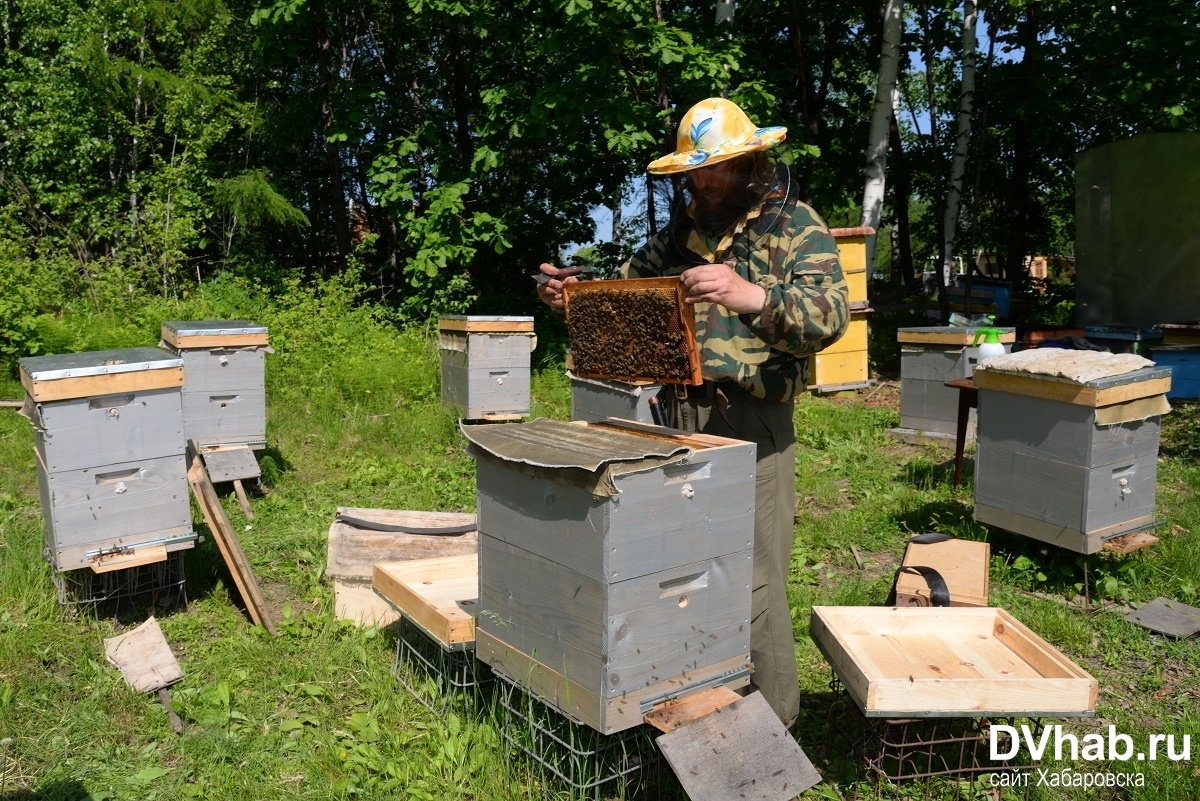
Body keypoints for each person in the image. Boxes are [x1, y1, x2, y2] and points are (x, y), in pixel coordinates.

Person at [535, 97, 849, 727]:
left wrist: (751, 294)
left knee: (753, 581)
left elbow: (830, 316)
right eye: (696, 172)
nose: (705, 182)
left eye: (719, 169)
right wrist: (570, 299)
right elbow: (620, 296)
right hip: (673, 419)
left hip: (752, 424)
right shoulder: (678, 239)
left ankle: (772, 732)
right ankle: (697, 704)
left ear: (752, 162)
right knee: (681, 568)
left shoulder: (796, 227)